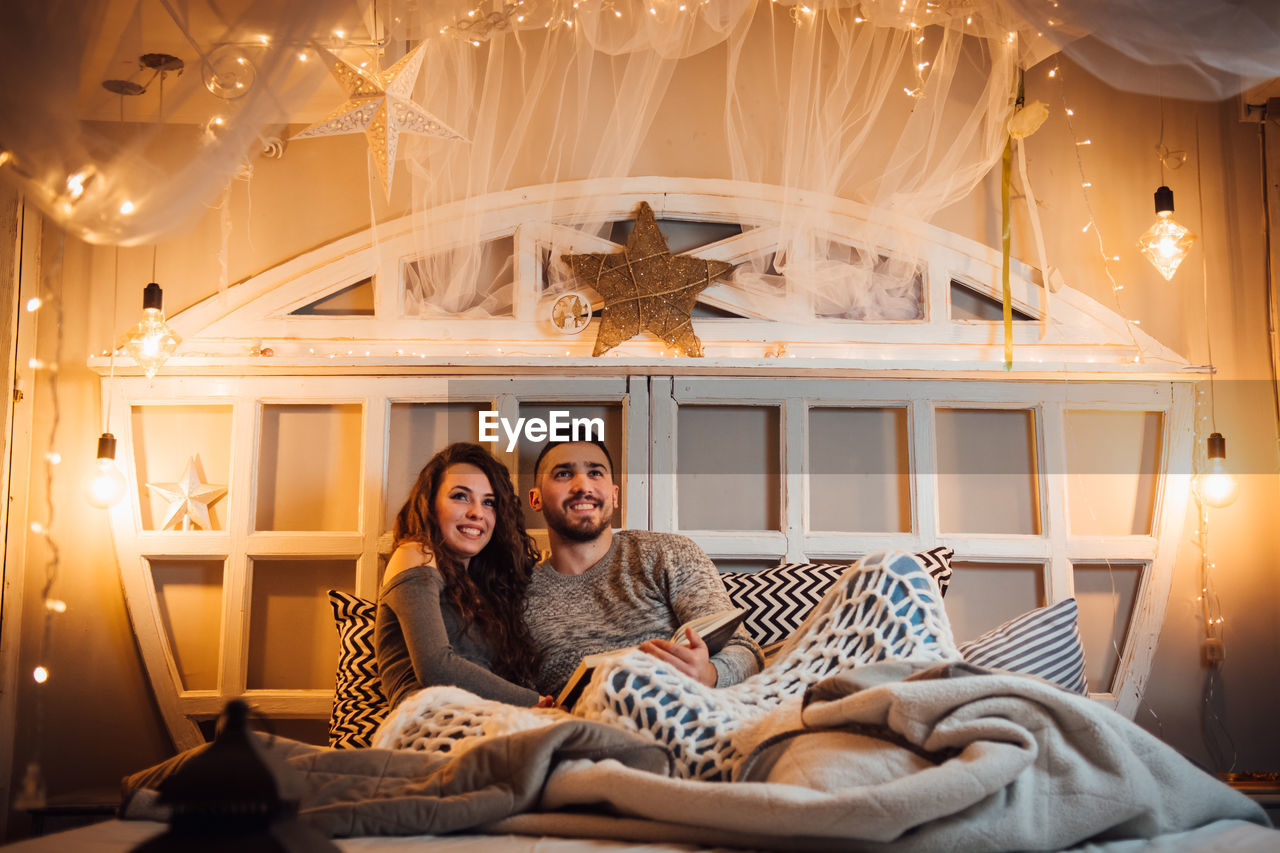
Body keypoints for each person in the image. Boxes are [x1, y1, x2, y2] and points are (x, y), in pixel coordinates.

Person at [522, 439, 764, 698]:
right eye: (563, 474)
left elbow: (745, 652)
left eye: (595, 473)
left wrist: (709, 675)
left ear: (614, 495)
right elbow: (510, 686)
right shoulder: (517, 591)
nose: (582, 486)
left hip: (681, 713)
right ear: (535, 499)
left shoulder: (668, 553)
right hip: (577, 729)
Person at [374, 442, 548, 710]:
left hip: (486, 719)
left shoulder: (482, 593)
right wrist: (536, 703)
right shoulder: (415, 554)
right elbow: (436, 668)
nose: (477, 512)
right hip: (428, 720)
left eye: (488, 502)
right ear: (430, 506)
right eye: (460, 496)